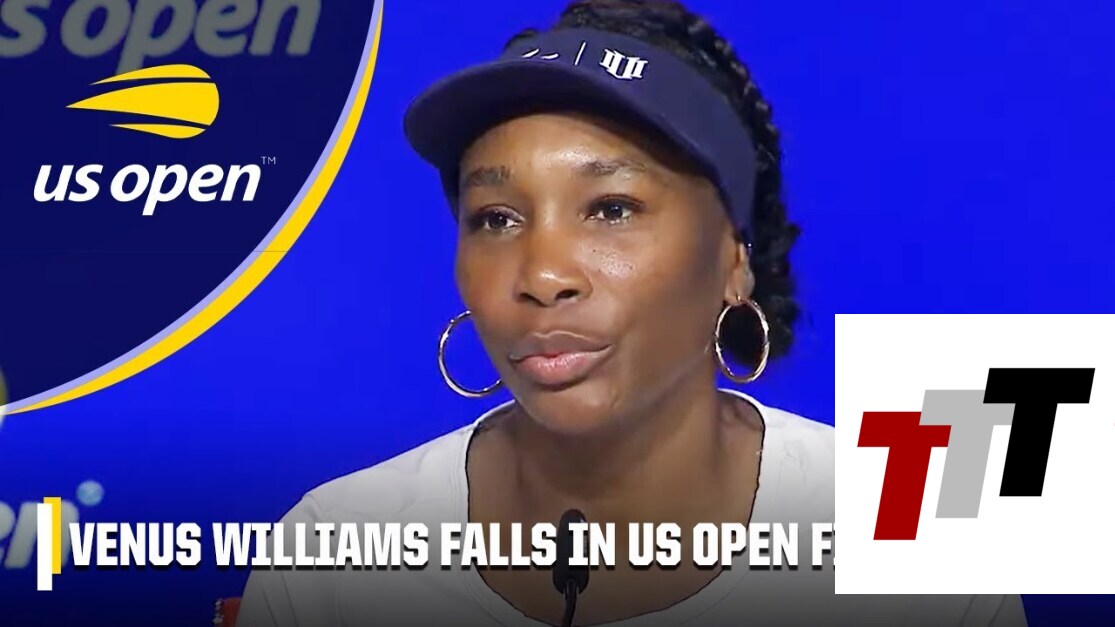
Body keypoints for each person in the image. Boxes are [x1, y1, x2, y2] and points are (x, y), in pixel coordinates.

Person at [240, 1, 1027, 625]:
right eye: (496, 219)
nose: (542, 274)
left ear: (733, 258)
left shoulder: (911, 539)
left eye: (611, 208)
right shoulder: (335, 554)